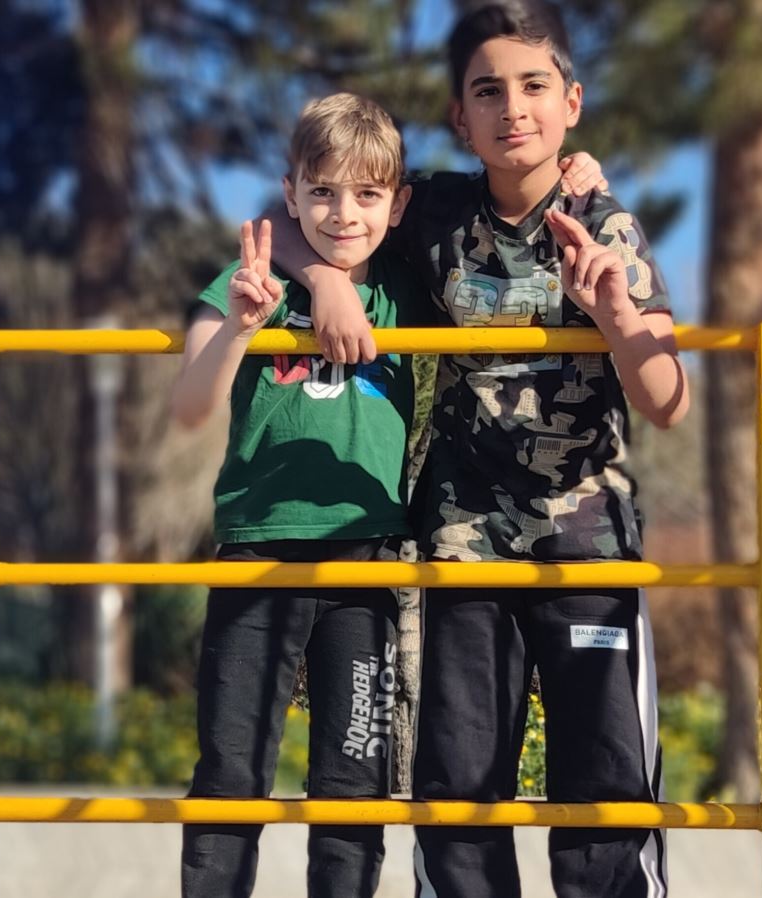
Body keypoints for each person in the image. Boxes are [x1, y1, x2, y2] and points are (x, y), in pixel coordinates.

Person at [271, 2, 690, 895]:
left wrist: (615, 313)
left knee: (605, 782)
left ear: (571, 102)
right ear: (460, 117)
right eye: (488, 91)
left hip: (586, 543)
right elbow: (301, 215)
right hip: (464, 539)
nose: (514, 108)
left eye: (535, 86)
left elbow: (668, 399)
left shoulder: (606, 224)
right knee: (459, 782)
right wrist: (325, 283)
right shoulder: (436, 211)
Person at [168, 92, 423, 898]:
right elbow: (190, 406)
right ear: (291, 194)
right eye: (322, 192)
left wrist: (580, 174)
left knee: (354, 774)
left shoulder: (406, 290)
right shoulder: (248, 280)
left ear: (397, 204)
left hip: (365, 557)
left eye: (367, 194)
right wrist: (244, 325)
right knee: (232, 764)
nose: (344, 213)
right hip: (260, 546)